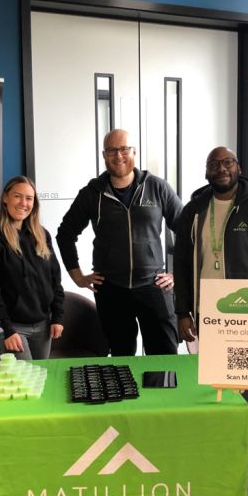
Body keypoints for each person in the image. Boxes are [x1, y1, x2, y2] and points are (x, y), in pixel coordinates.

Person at [56, 128, 182, 356]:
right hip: (111, 290)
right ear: (104, 155)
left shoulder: (157, 187)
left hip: (153, 286)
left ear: (134, 152)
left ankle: (161, 391)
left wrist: (176, 273)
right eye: (112, 150)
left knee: (164, 355)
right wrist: (77, 275)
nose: (118, 156)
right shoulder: (92, 193)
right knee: (121, 357)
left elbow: (187, 231)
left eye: (123, 149)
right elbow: (65, 234)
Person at [174, 146, 248, 343]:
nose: (221, 169)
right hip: (207, 310)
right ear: (206, 172)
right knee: (209, 371)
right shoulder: (193, 210)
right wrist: (183, 312)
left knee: (247, 370)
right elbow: (182, 263)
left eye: (228, 162)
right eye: (214, 165)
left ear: (239, 168)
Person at [0, 176, 64, 360]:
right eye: (17, 196)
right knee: (25, 385)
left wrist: (57, 317)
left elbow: (55, 279)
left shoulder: (41, 234)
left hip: (43, 326)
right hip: (12, 328)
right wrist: (6, 328)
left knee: (41, 380)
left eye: (29, 198)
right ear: (5, 198)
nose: (23, 203)